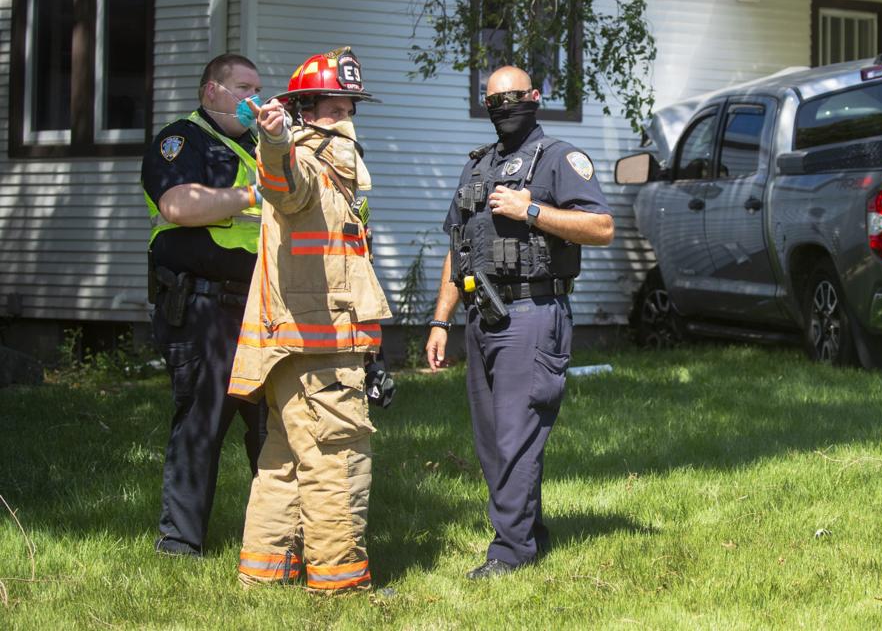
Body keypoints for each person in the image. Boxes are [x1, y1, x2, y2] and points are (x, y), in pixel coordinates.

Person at [425, 65, 614, 579]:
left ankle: (510, 553)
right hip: (481, 314)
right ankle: (528, 532)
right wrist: (440, 320)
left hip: (533, 314)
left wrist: (532, 211)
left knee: (516, 435)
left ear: (534, 97)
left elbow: (601, 226)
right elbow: (456, 246)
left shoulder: (558, 159)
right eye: (493, 100)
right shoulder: (478, 166)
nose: (504, 106)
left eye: (514, 97)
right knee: (493, 440)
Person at [228, 47, 392, 594]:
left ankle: (264, 574)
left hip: (298, 347)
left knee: (284, 461)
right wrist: (272, 140)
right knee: (336, 461)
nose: (346, 114)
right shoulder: (308, 163)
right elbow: (281, 179)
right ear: (304, 109)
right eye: (335, 105)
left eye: (351, 105)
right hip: (316, 348)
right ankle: (340, 585)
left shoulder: (335, 173)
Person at [140, 52, 268, 558]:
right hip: (202, 305)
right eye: (242, 88)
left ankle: (279, 537)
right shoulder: (181, 141)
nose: (252, 99)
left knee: (269, 423)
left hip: (259, 304)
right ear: (210, 91)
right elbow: (177, 205)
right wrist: (250, 195)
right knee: (203, 419)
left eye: (258, 88)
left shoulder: (262, 143)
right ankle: (180, 542)